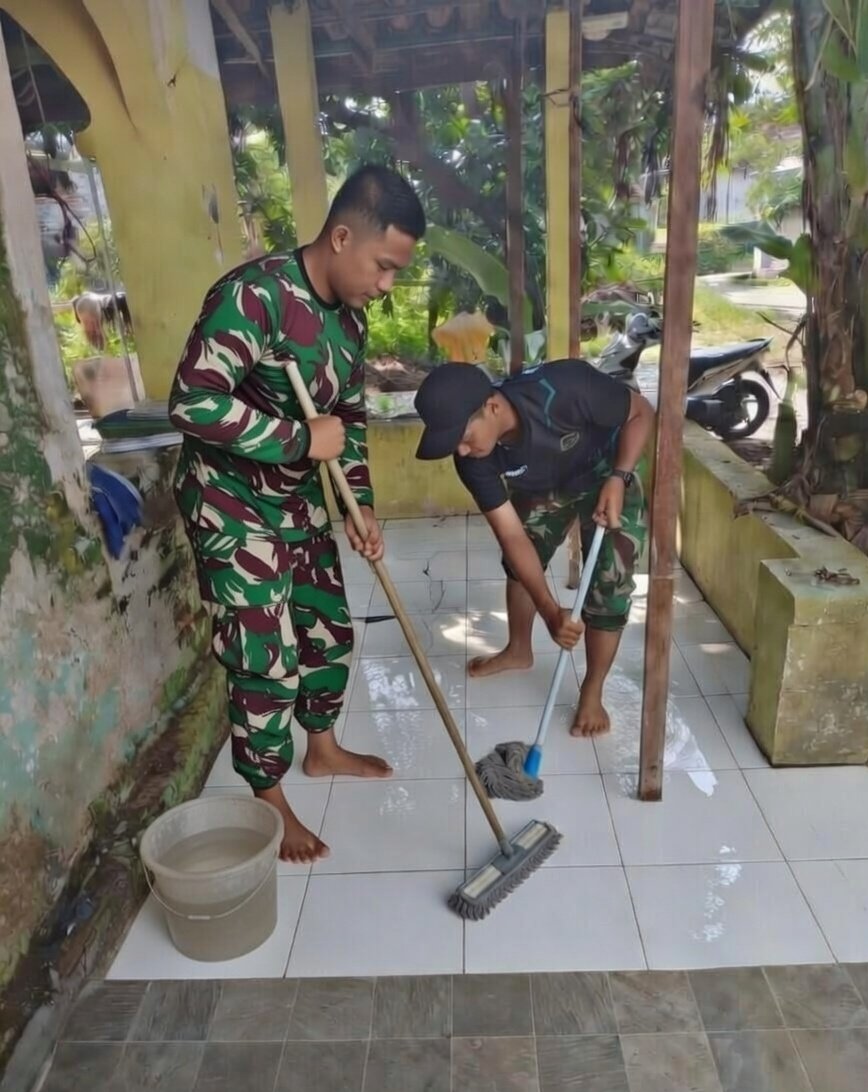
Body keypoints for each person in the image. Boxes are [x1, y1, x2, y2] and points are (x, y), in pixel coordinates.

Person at [169, 165, 426, 862]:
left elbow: (347, 419)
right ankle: (270, 798)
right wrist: (297, 440)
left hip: (295, 499)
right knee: (267, 657)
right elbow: (192, 401)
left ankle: (322, 748)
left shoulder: (351, 321)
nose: (386, 284)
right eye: (383, 265)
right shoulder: (255, 297)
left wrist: (359, 506)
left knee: (327, 630)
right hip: (228, 500)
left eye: (396, 272)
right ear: (342, 237)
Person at [414, 358, 654, 737]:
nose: (460, 450)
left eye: (463, 436)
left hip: (606, 470)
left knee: (611, 582)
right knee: (520, 561)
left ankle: (592, 689)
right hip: (543, 485)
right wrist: (549, 611)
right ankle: (518, 650)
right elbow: (512, 537)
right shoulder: (475, 460)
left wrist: (619, 476)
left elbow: (641, 412)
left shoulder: (565, 388)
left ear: (492, 407)